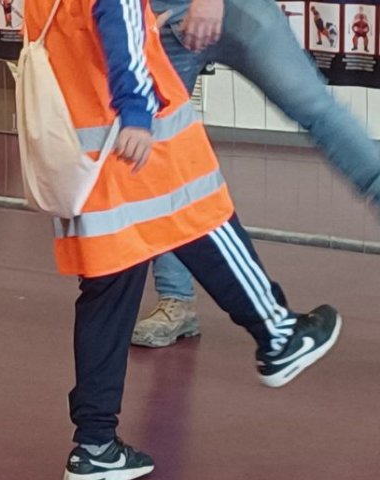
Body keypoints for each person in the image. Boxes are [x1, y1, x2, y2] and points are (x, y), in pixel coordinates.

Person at [22, 0, 342, 478]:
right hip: (138, 141)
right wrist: (137, 110)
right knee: (205, 220)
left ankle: (94, 444)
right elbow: (118, 16)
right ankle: (277, 333)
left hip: (87, 158)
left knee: (107, 295)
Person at [134, 0, 380, 348]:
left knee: (315, 109)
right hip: (161, 20)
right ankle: (176, 300)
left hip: (235, 7)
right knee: (161, 152)